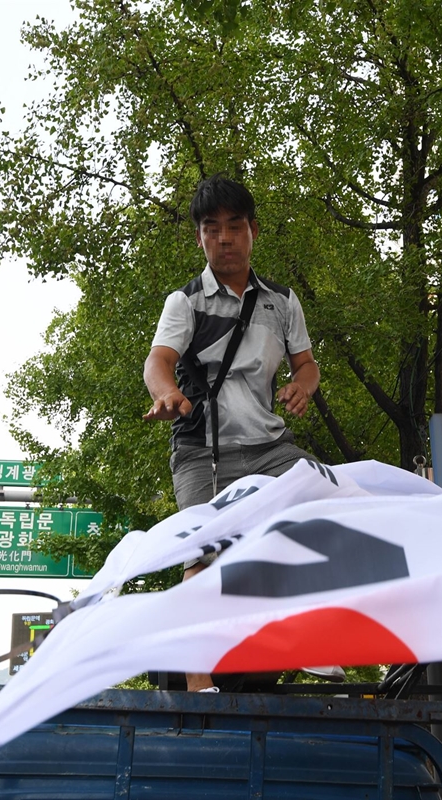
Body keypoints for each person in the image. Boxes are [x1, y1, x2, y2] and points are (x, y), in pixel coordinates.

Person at [143, 173, 320, 692]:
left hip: (269, 447)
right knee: (201, 552)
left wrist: (301, 386)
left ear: (252, 231)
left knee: (323, 506)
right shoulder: (187, 301)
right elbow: (158, 360)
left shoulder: (282, 302)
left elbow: (307, 365)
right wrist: (166, 393)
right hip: (205, 450)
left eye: (234, 226)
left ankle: (314, 644)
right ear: (200, 237)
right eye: (211, 228)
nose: (224, 238)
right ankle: (201, 685)